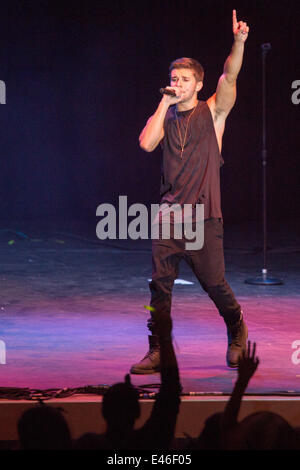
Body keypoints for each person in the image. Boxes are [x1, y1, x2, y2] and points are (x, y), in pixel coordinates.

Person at [130, 10, 249, 374]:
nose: (177, 83)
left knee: (214, 284)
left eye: (184, 79)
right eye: (173, 78)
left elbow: (230, 75)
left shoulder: (212, 113)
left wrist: (239, 43)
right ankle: (158, 348)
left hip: (204, 217)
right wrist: (164, 102)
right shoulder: (165, 116)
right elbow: (146, 144)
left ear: (198, 84)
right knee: (158, 286)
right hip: (169, 216)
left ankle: (236, 326)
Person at [75, 312, 181, 450]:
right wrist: (165, 339)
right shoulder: (151, 441)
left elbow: (170, 393)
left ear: (103, 412)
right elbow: (170, 393)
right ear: (138, 412)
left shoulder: (89, 445)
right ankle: (158, 348)